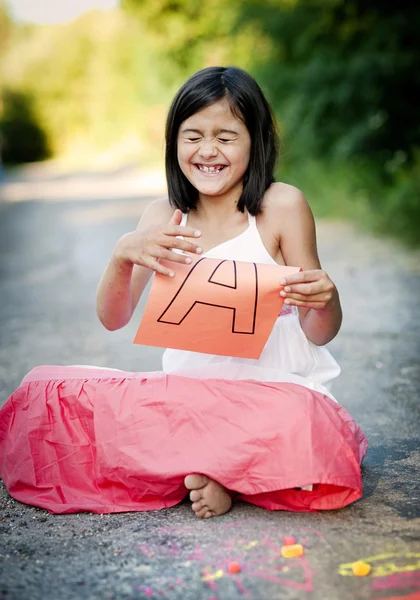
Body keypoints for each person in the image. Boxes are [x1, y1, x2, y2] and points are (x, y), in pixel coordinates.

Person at [0, 66, 367, 516]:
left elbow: (319, 332)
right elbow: (112, 318)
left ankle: (220, 474)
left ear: (256, 141)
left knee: (306, 427)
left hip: (273, 399)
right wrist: (121, 256)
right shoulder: (162, 218)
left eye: (226, 137)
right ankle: (224, 470)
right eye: (192, 136)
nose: (208, 151)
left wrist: (326, 299)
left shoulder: (280, 207)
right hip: (190, 407)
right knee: (49, 392)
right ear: (174, 143)